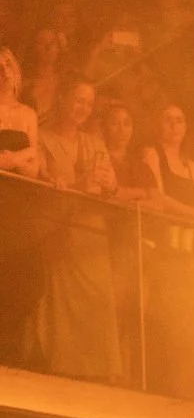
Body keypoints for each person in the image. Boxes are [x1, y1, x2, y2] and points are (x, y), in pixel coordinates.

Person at [26, 74, 122, 382]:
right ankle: (59, 372)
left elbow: (111, 188)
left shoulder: (94, 142)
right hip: (60, 230)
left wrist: (110, 184)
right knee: (61, 306)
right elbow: (39, 184)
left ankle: (98, 376)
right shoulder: (42, 138)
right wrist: (76, 185)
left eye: (89, 103)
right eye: (78, 100)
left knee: (98, 302)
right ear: (63, 98)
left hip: (92, 236)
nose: (83, 108)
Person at [142, 102, 194, 399]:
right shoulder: (152, 154)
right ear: (157, 125)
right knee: (167, 325)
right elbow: (158, 197)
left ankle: (189, 397)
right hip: (164, 251)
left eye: (180, 120)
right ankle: (165, 393)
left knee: (190, 328)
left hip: (191, 253)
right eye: (168, 119)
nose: (174, 126)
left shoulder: (192, 167)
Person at [0, 46, 40, 178]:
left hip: (17, 187)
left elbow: (34, 170)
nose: (5, 72)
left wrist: (15, 160)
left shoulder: (29, 115)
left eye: (8, 65)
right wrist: (27, 153)